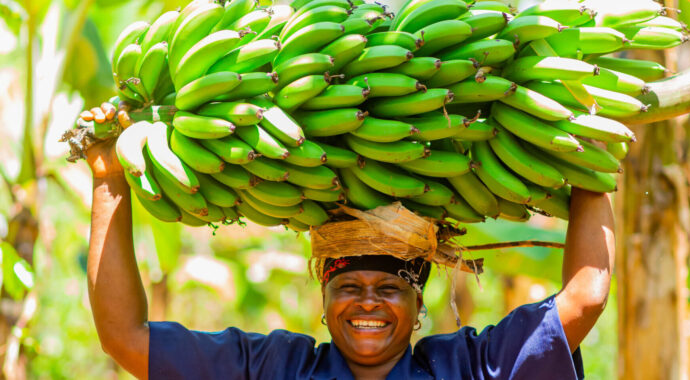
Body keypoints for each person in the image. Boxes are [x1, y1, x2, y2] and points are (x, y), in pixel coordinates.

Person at [85, 114, 614, 379]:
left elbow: (585, 298)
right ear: (322, 297)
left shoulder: (463, 368)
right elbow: (125, 339)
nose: (367, 302)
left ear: (417, 305)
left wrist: (589, 156)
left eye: (388, 287)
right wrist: (109, 177)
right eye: (349, 286)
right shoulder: (278, 369)